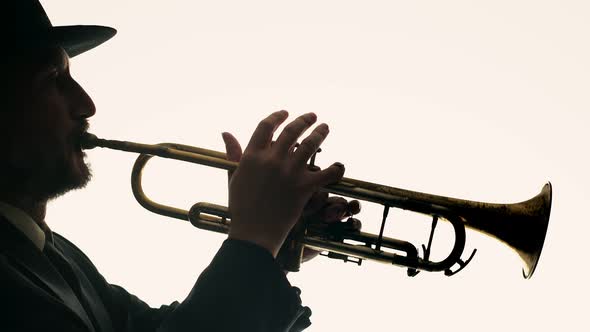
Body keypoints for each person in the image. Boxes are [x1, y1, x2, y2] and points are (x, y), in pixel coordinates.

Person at [0, 1, 360, 331]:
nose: (86, 104)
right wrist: (254, 240)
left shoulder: (52, 251)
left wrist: (273, 249)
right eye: (52, 81)